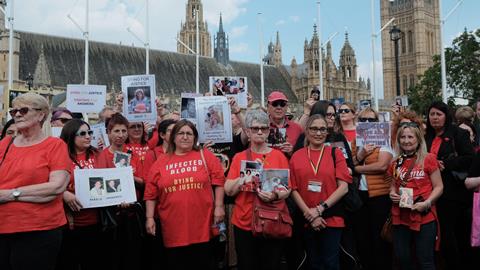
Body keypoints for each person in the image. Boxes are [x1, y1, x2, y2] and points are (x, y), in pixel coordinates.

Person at [0, 93, 70, 270]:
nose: (16, 114)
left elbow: (56, 187)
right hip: (2, 228)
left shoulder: (55, 146)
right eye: (13, 111)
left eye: (23, 110)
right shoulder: (5, 144)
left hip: (39, 230)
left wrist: (10, 194)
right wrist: (36, 193)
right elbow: (45, 192)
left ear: (41, 115)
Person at [145, 120, 226, 270]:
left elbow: (219, 180)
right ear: (173, 137)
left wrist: (219, 207)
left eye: (189, 133)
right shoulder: (161, 161)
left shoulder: (205, 155)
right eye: (180, 133)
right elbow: (151, 192)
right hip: (173, 227)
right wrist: (149, 218)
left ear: (195, 138)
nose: (185, 137)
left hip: (203, 225)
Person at [224, 110, 290, 270]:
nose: (259, 131)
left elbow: (287, 189)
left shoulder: (279, 156)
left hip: (271, 220)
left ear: (269, 131)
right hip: (244, 222)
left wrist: (274, 195)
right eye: (255, 128)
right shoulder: (240, 157)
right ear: (247, 131)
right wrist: (242, 179)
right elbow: (228, 191)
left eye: (263, 128)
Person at [291, 114, 352, 270]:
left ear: (327, 132)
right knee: (313, 263)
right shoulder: (297, 156)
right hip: (306, 219)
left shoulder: (335, 153)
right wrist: (310, 215)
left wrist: (319, 209)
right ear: (307, 131)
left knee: (331, 263)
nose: (318, 133)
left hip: (331, 217)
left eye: (322, 129)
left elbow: (344, 187)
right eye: (314, 129)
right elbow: (293, 189)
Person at [425, 101, 475, 269]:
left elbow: (469, 158)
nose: (435, 118)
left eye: (438, 114)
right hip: (431, 193)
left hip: (453, 193)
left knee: (454, 235)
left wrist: (446, 164)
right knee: (440, 235)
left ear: (446, 116)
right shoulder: (425, 136)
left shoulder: (458, 133)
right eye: (432, 114)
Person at [388, 121, 443, 270]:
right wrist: (392, 193)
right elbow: (393, 185)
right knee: (403, 259)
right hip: (401, 217)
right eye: (403, 137)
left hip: (424, 216)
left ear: (418, 139)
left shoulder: (428, 158)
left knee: (425, 261)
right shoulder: (396, 162)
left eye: (410, 137)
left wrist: (427, 202)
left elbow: (439, 187)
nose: (406, 141)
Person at [57, 119, 105, 270]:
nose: (88, 136)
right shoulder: (60, 157)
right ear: (71, 136)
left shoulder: (99, 155)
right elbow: (48, 182)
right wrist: (64, 193)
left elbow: (110, 180)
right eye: (82, 133)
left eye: (89, 132)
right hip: (69, 223)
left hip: (97, 222)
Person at [352, 107, 394, 270]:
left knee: (379, 238)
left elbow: (382, 166)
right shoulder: (356, 143)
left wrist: (357, 168)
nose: (367, 124)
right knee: (362, 238)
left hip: (379, 196)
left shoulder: (384, 139)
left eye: (371, 120)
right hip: (360, 195)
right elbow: (347, 165)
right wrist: (360, 156)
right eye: (363, 120)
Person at [266, 91, 303, 156]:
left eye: (282, 104)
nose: (279, 107)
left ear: (286, 107)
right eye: (275, 104)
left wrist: (292, 151)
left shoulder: (297, 128)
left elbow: (303, 154)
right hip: (267, 164)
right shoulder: (260, 127)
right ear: (268, 106)